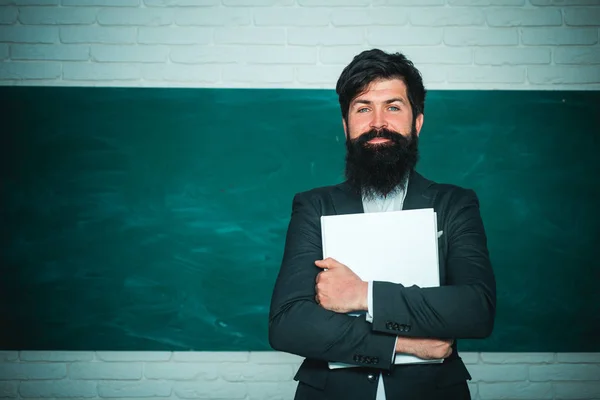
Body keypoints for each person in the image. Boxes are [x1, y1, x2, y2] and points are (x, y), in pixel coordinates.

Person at [268, 48, 496, 400]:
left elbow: (474, 309)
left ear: (416, 121)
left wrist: (364, 294)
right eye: (363, 108)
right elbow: (289, 323)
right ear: (346, 125)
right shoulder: (314, 206)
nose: (378, 122)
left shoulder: (455, 204)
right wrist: (401, 344)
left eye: (393, 107)